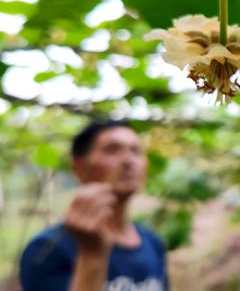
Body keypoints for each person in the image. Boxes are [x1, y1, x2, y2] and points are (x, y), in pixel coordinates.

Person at [19, 120, 168, 291]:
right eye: (112, 150)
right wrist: (91, 255)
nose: (128, 161)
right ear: (79, 167)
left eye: (136, 151)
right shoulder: (46, 249)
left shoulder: (152, 243)